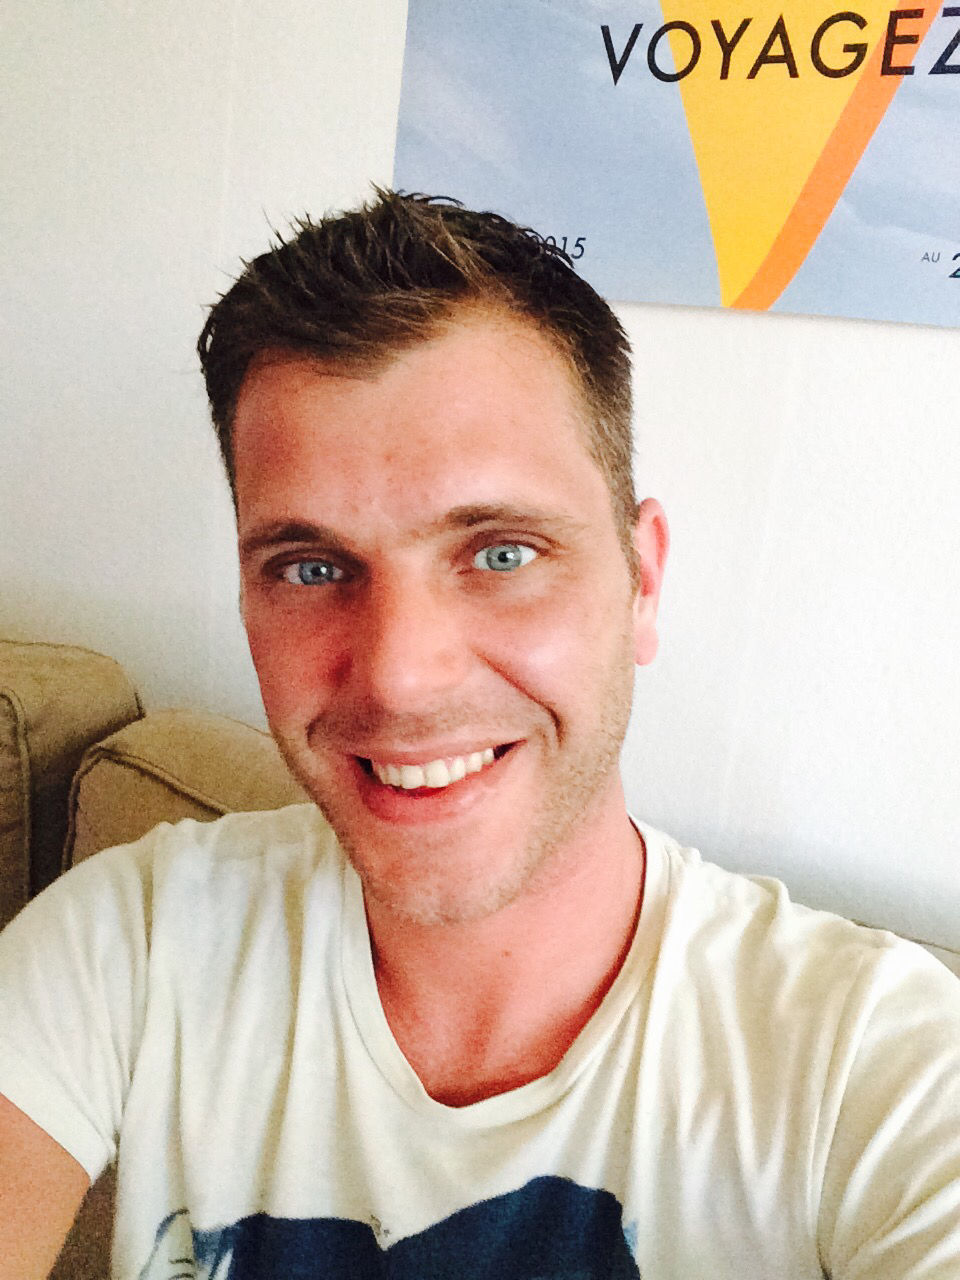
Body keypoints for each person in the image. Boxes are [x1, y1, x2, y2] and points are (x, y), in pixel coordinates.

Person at [1, 191, 959, 1280]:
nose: (400, 674)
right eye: (311, 567)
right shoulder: (128, 945)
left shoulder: (878, 1067)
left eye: (501, 552)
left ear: (641, 581)